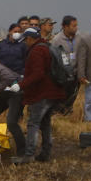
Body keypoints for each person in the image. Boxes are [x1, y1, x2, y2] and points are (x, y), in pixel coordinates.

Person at [13, 28, 66, 164]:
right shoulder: (46, 47)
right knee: (45, 123)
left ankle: (29, 155)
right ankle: (45, 153)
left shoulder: (36, 51)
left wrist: (21, 85)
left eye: (25, 40)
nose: (25, 43)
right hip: (53, 92)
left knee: (33, 123)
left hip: (42, 93)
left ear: (30, 39)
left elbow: (38, 74)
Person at [50, 15, 81, 115]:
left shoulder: (79, 38)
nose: (76, 28)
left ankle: (68, 114)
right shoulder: (57, 40)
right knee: (61, 98)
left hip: (75, 73)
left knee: (72, 96)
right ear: (65, 27)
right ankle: (58, 115)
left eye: (76, 25)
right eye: (73, 26)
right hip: (63, 75)